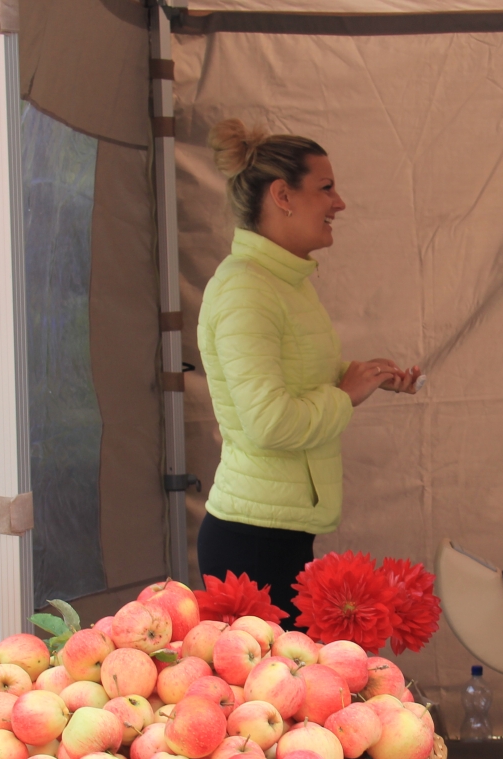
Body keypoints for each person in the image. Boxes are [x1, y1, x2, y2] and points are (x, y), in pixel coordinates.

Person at [196, 119, 418, 617]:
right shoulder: (245, 291)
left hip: (281, 530)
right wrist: (345, 395)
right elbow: (269, 421)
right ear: (282, 195)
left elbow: (293, 375)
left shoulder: (283, 282)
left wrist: (366, 375)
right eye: (326, 188)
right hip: (249, 543)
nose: (339, 203)